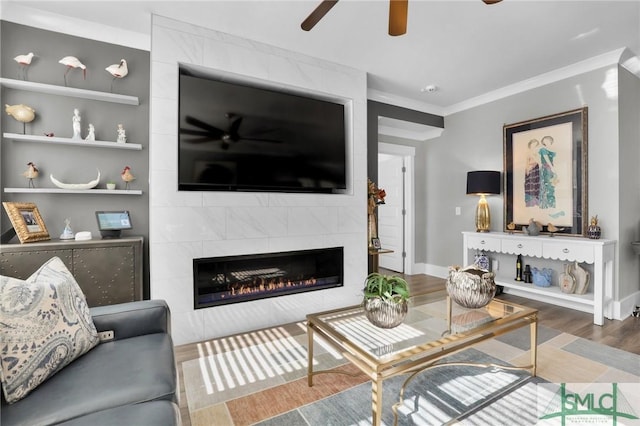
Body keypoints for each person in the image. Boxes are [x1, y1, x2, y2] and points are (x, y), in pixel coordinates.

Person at [539, 135, 558, 209]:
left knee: (551, 185)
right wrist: (552, 168)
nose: (547, 142)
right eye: (545, 141)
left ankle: (551, 204)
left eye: (548, 140)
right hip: (546, 168)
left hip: (550, 169)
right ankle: (545, 204)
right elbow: (547, 160)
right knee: (546, 185)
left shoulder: (552, 150)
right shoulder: (543, 149)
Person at [524, 138, 540, 207]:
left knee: (537, 186)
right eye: (534, 146)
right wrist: (528, 171)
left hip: (536, 172)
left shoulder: (537, 154)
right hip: (531, 172)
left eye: (536, 146)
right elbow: (527, 166)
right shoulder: (529, 155)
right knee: (531, 187)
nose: (535, 147)